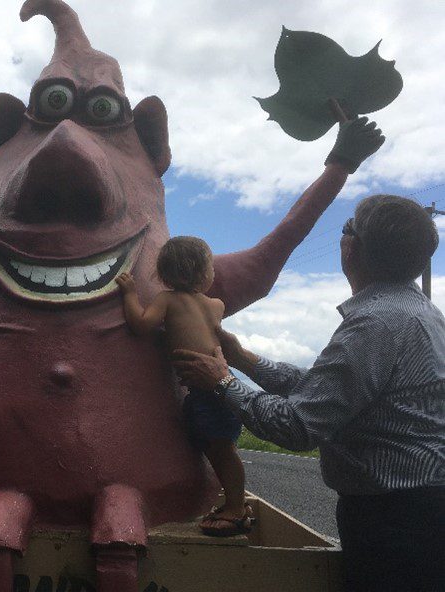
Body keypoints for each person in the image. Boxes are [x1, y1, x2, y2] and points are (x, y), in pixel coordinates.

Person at [173, 194, 444, 591]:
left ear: (351, 249)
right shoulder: (416, 314)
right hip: (418, 512)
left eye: (344, 228)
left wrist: (221, 381)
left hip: (396, 522)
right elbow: (331, 395)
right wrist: (246, 362)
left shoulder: (376, 324)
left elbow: (298, 426)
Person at [115, 236, 253, 537]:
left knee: (222, 451)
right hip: (224, 383)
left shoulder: (167, 300)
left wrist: (129, 293)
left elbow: (140, 324)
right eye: (211, 268)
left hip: (207, 389)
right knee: (220, 449)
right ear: (202, 272)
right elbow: (198, 332)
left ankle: (236, 507)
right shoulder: (216, 304)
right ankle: (235, 502)